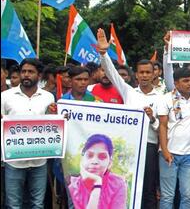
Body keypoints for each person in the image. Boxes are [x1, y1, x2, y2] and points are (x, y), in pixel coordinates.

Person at [96, 28, 163, 208]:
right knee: (127, 186)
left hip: (149, 147)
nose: (144, 76)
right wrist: (103, 53)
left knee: (148, 188)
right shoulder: (129, 92)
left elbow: (161, 129)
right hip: (129, 147)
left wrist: (153, 119)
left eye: (148, 72)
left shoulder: (161, 97)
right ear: (136, 74)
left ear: (154, 73)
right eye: (141, 72)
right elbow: (111, 72)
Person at [1, 58, 56, 208]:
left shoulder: (48, 97)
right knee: (13, 204)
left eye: (30, 72)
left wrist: (58, 116)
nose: (26, 75)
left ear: (39, 75)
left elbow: (51, 125)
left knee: (37, 204)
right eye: (23, 71)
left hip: (39, 160)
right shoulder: (6, 96)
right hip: (14, 161)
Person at [158, 67, 190, 209]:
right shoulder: (166, 99)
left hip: (189, 154)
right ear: (176, 83)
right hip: (169, 154)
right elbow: (162, 126)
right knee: (168, 196)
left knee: (188, 195)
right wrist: (165, 151)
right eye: (186, 81)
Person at [68, 134, 127, 209]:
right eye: (89, 155)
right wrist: (97, 184)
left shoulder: (118, 185)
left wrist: (97, 183)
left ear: (110, 163)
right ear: (82, 160)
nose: (95, 161)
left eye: (102, 157)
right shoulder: (73, 187)